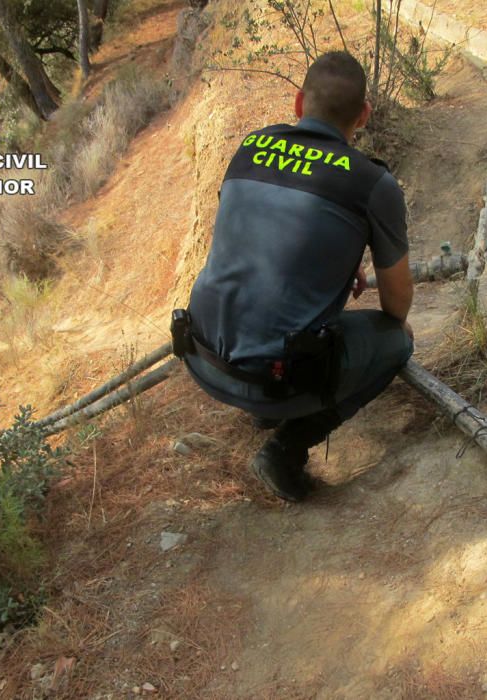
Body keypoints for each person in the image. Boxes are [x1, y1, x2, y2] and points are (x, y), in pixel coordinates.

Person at [172, 51, 414, 502]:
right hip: (271, 377)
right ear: (363, 115)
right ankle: (285, 450)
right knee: (397, 339)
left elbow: (260, 241)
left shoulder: (250, 148)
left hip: (203, 358)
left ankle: (264, 411)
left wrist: (337, 261)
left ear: (299, 103)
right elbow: (396, 304)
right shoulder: (371, 183)